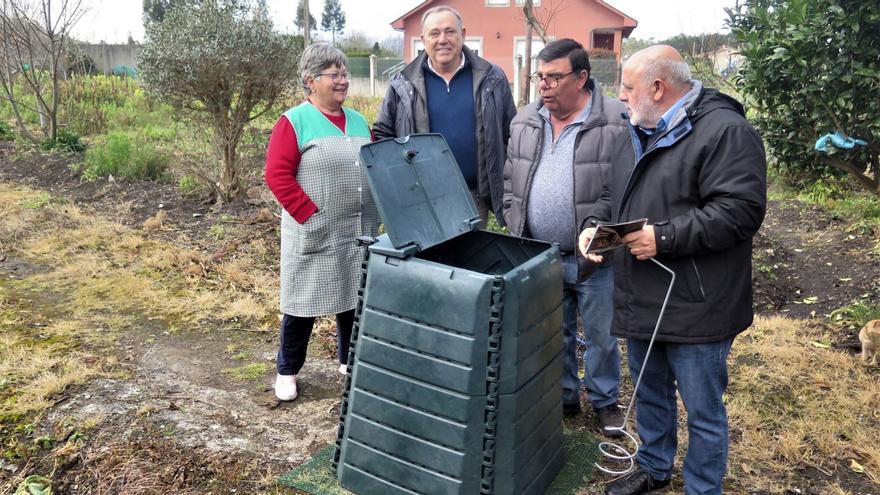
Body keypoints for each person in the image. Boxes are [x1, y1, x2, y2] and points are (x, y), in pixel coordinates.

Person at [577, 45, 767, 495]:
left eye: (627, 87)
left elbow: (739, 211)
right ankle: (654, 466)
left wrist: (663, 237)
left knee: (703, 409)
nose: (619, 96)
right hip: (645, 292)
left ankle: (703, 487)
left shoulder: (726, 131)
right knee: (650, 390)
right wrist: (592, 228)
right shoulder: (635, 130)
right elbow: (612, 198)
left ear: (658, 88)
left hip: (700, 299)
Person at [502, 38, 629, 437]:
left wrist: (603, 235)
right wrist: (513, 217)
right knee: (553, 330)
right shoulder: (525, 119)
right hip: (541, 253)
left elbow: (627, 187)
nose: (545, 85)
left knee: (602, 334)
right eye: (541, 76)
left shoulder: (616, 120)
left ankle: (606, 400)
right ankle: (564, 396)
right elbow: (510, 178)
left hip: (595, 255)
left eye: (554, 77)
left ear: (582, 77)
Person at [264, 43, 380, 402]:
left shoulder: (358, 121)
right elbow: (277, 175)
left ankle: (349, 360)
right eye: (334, 74)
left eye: (345, 73)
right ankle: (287, 370)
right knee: (302, 303)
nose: (343, 80)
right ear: (311, 81)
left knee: (353, 296)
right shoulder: (294, 121)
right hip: (314, 229)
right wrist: (309, 214)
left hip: (356, 228)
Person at [372, 5, 516, 225]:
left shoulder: (492, 78)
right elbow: (384, 135)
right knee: (426, 260)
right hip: (421, 200)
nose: (443, 39)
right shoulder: (402, 83)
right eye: (434, 33)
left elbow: (511, 134)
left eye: (450, 31)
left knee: (469, 259)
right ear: (423, 39)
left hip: (474, 197)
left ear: (463, 34)